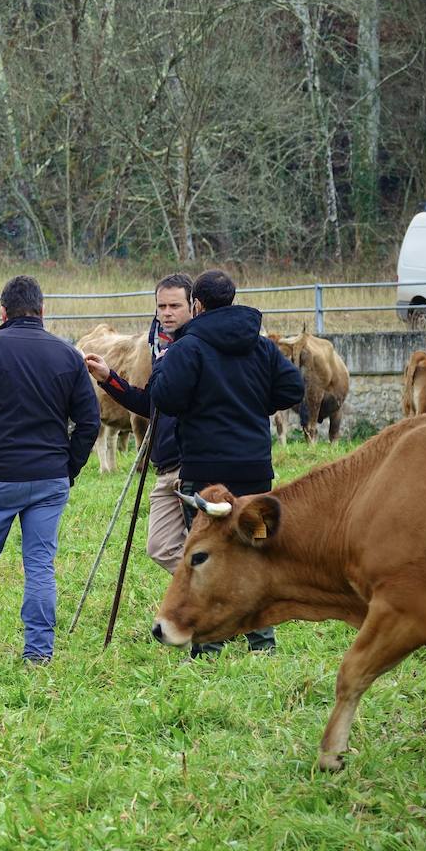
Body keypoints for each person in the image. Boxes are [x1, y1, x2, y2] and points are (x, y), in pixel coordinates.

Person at [147, 269, 304, 655]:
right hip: (254, 468)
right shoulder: (262, 346)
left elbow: (165, 398)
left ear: (197, 304)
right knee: (256, 550)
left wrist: (166, 367)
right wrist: (253, 405)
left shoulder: (189, 347)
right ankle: (263, 643)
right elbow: (293, 387)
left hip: (205, 472)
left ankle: (209, 647)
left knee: (207, 556)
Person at [0, 275, 101, 663]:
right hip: (48, 478)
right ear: (42, 310)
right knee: (39, 566)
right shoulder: (67, 355)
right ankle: (38, 653)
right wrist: (68, 468)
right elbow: (89, 422)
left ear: (2, 312)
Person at [83, 272, 194, 574]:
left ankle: (215, 600)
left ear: (193, 306)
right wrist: (109, 379)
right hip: (167, 462)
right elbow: (150, 404)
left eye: (175, 306)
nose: (167, 313)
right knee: (159, 545)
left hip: (198, 463)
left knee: (207, 541)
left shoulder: (198, 346)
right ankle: (213, 589)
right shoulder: (159, 346)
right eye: (162, 306)